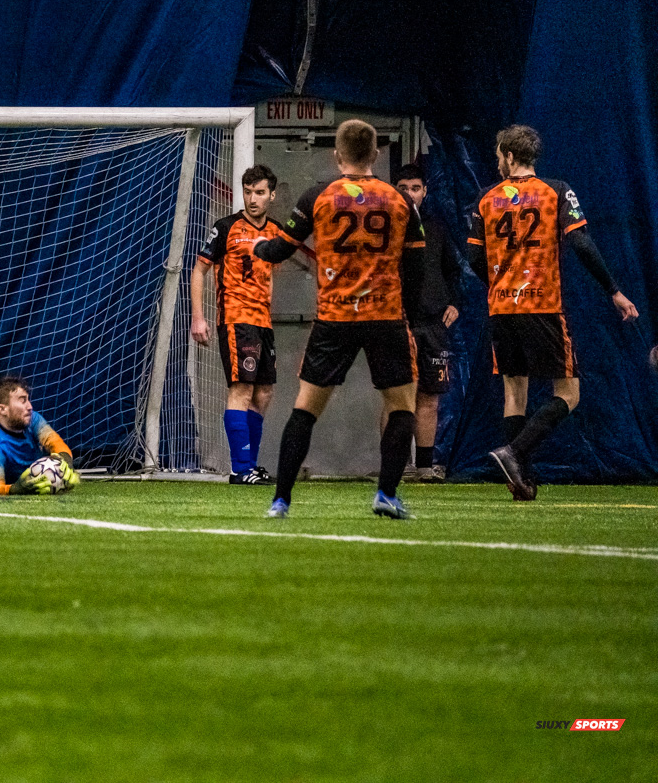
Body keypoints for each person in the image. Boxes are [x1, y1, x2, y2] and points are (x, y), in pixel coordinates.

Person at [253, 119, 426, 519]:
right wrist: (411, 323)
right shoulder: (402, 203)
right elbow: (416, 270)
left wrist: (258, 247)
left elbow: (280, 250)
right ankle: (386, 493)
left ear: (337, 155)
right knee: (402, 408)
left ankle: (281, 501)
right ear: (376, 155)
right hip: (385, 316)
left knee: (305, 409)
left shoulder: (319, 196)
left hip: (335, 319)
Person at [467, 125, 638, 500]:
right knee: (569, 392)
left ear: (510, 157)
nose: (498, 162)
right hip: (541, 303)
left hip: (501, 307)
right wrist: (614, 290)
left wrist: (499, 283)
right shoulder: (557, 191)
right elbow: (580, 241)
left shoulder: (485, 198)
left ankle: (520, 483)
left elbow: (475, 258)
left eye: (499, 155)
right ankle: (514, 453)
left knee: (515, 391)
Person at [191, 164, 287, 485]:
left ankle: (250, 465)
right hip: (235, 318)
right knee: (241, 389)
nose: (252, 199)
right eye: (247, 192)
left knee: (264, 393)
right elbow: (199, 270)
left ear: (272, 195)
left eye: (259, 192)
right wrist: (198, 317)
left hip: (263, 323)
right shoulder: (225, 227)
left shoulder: (276, 231)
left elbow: (275, 272)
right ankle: (240, 469)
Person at [392, 164, 462, 482]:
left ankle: (423, 467)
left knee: (429, 397)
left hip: (433, 325)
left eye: (415, 188)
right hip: (396, 323)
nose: (409, 194)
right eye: (403, 187)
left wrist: (454, 303)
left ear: (425, 191)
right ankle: (395, 465)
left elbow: (453, 270)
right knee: (396, 396)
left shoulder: (436, 227)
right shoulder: (385, 228)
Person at [0, 375, 79, 495]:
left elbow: (54, 441)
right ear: (2, 409)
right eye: (22, 401)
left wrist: (65, 460)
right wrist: (17, 489)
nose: (29, 406)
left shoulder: (32, 419)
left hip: (40, 488)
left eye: (28, 399)